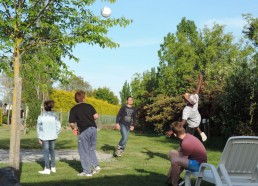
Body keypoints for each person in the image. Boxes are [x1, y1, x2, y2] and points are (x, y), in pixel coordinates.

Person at [69, 90, 101, 176]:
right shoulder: (89, 106)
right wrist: (89, 120)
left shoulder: (73, 109)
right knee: (91, 149)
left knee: (83, 151)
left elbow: (71, 123)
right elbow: (96, 116)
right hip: (93, 129)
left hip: (83, 130)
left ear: (76, 99)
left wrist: (74, 128)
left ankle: (87, 172)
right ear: (83, 98)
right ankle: (96, 166)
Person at [37, 100, 61, 175]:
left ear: (44, 107)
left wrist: (39, 137)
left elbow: (39, 128)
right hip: (53, 136)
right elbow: (59, 126)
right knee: (52, 151)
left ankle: (47, 169)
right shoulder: (55, 116)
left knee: (46, 152)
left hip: (44, 137)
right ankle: (53, 167)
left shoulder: (41, 116)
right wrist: (56, 133)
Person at [181, 73, 207, 142]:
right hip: (197, 118)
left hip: (192, 124)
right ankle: (201, 133)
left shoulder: (186, 110)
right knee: (196, 124)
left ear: (188, 101)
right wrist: (200, 79)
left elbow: (183, 123)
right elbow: (198, 88)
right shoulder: (195, 99)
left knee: (186, 140)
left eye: (187, 97)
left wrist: (173, 130)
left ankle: (191, 146)